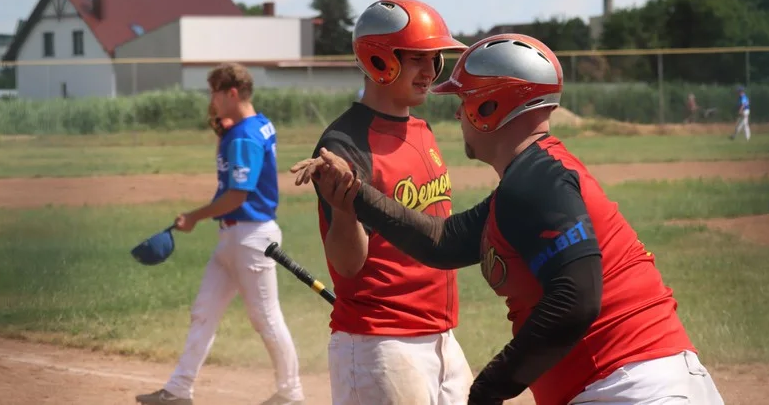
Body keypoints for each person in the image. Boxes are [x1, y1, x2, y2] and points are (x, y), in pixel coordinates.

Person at [292, 33, 726, 405]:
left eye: (465, 101)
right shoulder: (529, 181)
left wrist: (490, 388)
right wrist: (354, 193)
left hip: (628, 387)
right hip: (629, 384)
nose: (459, 114)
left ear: (489, 108)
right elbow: (441, 241)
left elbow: (578, 299)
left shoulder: (536, 182)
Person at [301, 0, 474, 405]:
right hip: (383, 340)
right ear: (380, 61)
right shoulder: (345, 143)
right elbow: (347, 264)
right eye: (417, 59)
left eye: (435, 60)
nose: (430, 72)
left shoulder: (422, 130)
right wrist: (344, 209)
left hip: (441, 335)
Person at [137, 62, 305, 405]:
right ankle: (179, 389)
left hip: (252, 236)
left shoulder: (243, 136)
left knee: (266, 318)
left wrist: (195, 217)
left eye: (215, 93)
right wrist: (224, 131)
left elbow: (236, 196)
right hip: (235, 237)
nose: (210, 100)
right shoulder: (254, 126)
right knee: (204, 311)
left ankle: (292, 394)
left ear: (231, 93)